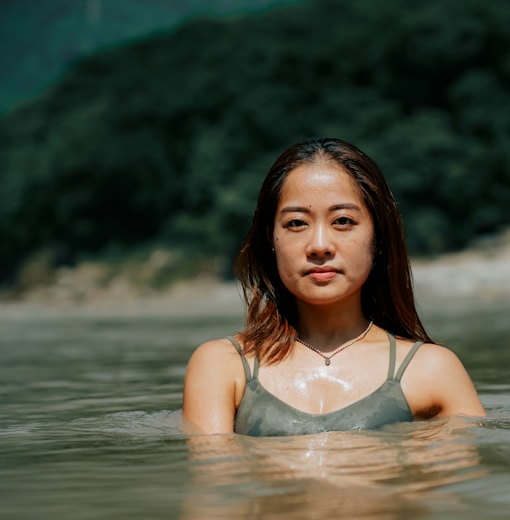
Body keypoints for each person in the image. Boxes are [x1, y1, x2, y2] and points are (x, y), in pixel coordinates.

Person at [182, 138, 485, 436]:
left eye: (342, 221)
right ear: (270, 240)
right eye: (297, 223)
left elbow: (459, 481)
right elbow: (215, 480)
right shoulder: (223, 366)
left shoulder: (431, 369)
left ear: (377, 239)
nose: (319, 245)